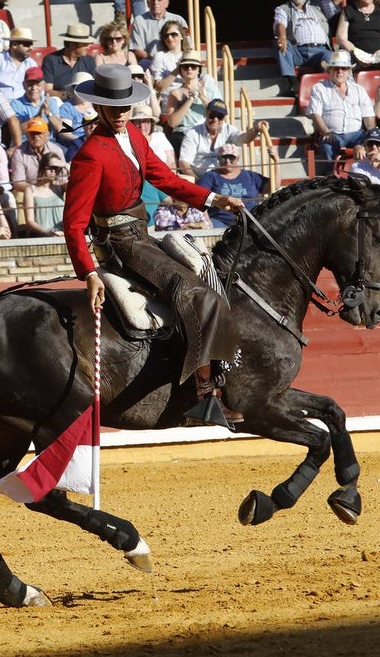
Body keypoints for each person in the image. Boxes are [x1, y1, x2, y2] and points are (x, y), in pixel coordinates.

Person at [62, 64, 248, 427]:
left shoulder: (132, 133)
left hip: (142, 236)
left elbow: (164, 177)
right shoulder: (90, 155)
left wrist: (212, 199)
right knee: (197, 295)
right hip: (120, 244)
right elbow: (73, 223)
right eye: (113, 109)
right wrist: (88, 272)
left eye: (125, 108)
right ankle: (203, 395)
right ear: (99, 107)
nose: (120, 115)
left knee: (205, 273)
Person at [307, 50, 376, 175]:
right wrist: (325, 131)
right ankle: (331, 180)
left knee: (373, 143)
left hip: (356, 134)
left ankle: (368, 176)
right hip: (332, 133)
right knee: (328, 144)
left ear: (349, 71)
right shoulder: (319, 88)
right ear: (329, 71)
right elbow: (315, 114)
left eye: (343, 68)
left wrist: (370, 137)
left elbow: (369, 116)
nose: (340, 71)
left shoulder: (359, 90)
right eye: (336, 68)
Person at [177, 98, 270, 178]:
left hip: (225, 179)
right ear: (206, 113)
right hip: (200, 178)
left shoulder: (229, 129)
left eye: (220, 117)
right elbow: (184, 163)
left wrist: (255, 129)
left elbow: (244, 138)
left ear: (224, 117)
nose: (215, 120)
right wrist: (198, 182)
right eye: (212, 115)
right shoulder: (192, 133)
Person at [163, 51, 223, 153]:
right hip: (183, 135)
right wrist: (190, 100)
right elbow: (172, 123)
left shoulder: (210, 88)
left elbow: (221, 112)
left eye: (193, 66)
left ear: (199, 69)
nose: (189, 69)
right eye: (186, 66)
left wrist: (203, 97)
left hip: (206, 131)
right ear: (181, 70)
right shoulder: (175, 93)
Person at [196, 145, 269, 227]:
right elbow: (200, 198)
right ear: (219, 159)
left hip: (250, 219)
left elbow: (272, 185)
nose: (227, 162)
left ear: (237, 159)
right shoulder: (210, 176)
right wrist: (207, 222)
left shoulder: (250, 176)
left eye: (231, 158)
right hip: (219, 221)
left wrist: (275, 160)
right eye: (224, 158)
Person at [274, 0, 333, 98]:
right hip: (298, 52)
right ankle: (293, 83)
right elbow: (280, 23)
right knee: (282, 44)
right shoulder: (283, 9)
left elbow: (335, 4)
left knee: (329, 56)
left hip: (320, 51)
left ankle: (324, 86)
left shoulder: (318, 6)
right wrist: (282, 37)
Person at [335, 0, 380, 69]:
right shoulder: (348, 10)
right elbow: (341, 38)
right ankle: (350, 80)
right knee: (343, 56)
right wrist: (356, 53)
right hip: (355, 55)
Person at [10, 117, 65, 193]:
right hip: (30, 191)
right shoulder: (19, 153)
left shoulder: (56, 151)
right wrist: (38, 191)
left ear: (47, 135)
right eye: (32, 133)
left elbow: (63, 177)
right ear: (27, 135)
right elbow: (18, 182)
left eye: (39, 133)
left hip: (53, 189)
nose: (35, 136)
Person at [0, 28, 37, 100]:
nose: (31, 48)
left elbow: (38, 85)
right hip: (0, 101)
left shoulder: (31, 63)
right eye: (27, 44)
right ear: (14, 45)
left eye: (31, 44)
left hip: (23, 104)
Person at [42, 23, 98, 98]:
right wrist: (68, 95)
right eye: (85, 44)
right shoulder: (51, 60)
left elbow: (95, 86)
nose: (88, 47)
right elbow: (47, 91)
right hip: (60, 102)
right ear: (72, 45)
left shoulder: (89, 61)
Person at [130, 0, 190, 66]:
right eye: (152, 0)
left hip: (176, 61)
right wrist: (157, 60)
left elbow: (187, 46)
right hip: (150, 61)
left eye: (159, 0)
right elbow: (137, 50)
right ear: (147, 3)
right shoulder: (139, 21)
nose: (155, 3)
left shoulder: (179, 20)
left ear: (167, 3)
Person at [22, 152, 66, 237]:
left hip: (62, 234)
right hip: (42, 236)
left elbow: (79, 184)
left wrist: (64, 165)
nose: (53, 170)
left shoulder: (61, 187)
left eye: (56, 168)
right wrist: (47, 232)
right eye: (50, 167)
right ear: (42, 167)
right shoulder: (31, 190)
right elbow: (29, 221)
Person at [150, 20, 187, 94]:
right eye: (166, 36)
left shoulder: (188, 55)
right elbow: (158, 87)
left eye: (174, 34)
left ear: (181, 36)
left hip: (188, 95)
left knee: (208, 79)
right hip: (169, 97)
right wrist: (177, 70)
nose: (169, 38)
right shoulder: (160, 56)